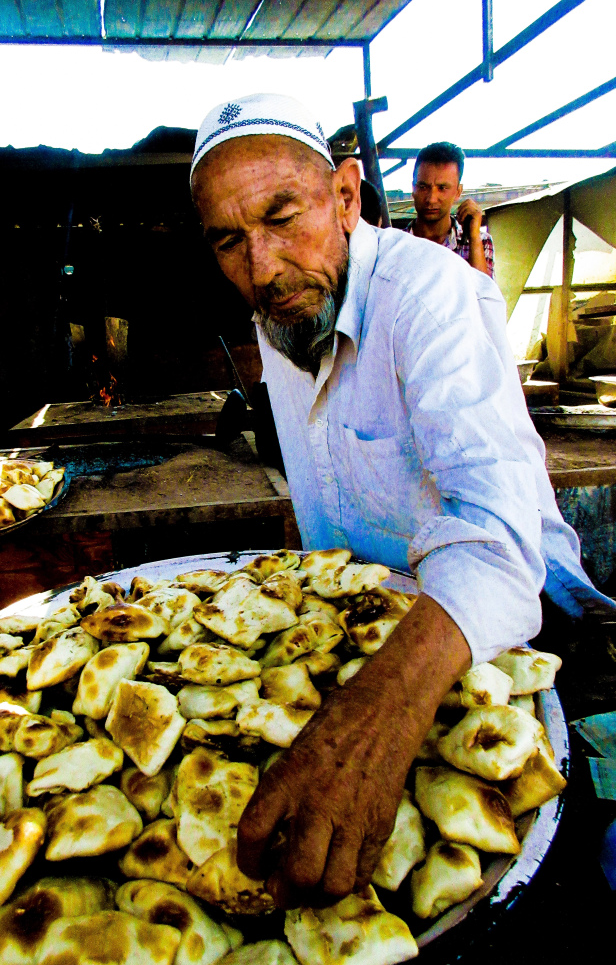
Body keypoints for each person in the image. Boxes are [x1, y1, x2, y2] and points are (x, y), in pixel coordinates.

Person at [189, 93, 613, 908]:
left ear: (346, 197)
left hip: (513, 631)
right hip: (374, 638)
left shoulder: (433, 296)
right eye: (229, 241)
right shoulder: (287, 306)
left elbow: (496, 535)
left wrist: (371, 721)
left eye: (283, 217)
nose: (263, 267)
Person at [406, 141, 494, 277]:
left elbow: (483, 296)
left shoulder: (479, 241)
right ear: (413, 188)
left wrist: (474, 238)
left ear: (458, 192)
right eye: (423, 187)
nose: (431, 198)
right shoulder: (396, 243)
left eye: (442, 188)